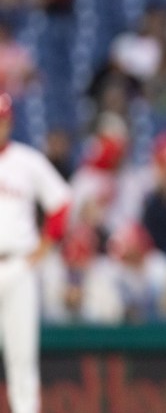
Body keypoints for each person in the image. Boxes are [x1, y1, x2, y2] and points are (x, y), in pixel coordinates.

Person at [0, 92, 71, 413]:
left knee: (22, 356)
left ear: (10, 122)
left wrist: (42, 248)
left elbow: (61, 203)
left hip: (18, 265)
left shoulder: (27, 160)